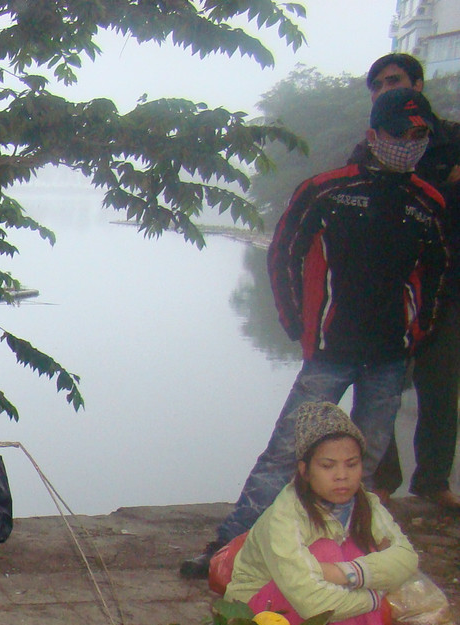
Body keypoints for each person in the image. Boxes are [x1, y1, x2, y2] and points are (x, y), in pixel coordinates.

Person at [180, 88, 449, 578]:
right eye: (399, 134)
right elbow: (282, 251)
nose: (408, 145)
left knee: (359, 463)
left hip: (389, 356)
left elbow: (436, 274)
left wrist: (419, 330)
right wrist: (292, 319)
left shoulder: (426, 203)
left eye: (419, 136)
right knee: (287, 451)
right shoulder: (326, 190)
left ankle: (344, 556)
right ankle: (228, 547)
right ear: (373, 136)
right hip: (330, 351)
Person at [354, 54, 460, 512]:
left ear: (418, 83)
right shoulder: (370, 149)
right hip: (389, 290)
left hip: (447, 286)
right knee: (379, 388)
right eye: (375, 85)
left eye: (393, 81)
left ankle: (433, 481)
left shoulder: (453, 138)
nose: (383, 90)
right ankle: (381, 481)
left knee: (440, 387)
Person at [225, 403, 418, 625]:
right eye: (328, 466)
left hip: (327, 596)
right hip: (261, 613)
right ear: (304, 470)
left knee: (359, 547)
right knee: (326, 549)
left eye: (351, 464)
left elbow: (406, 557)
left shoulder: (366, 503)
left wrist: (348, 573)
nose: (342, 476)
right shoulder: (285, 516)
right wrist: (373, 596)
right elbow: (311, 603)